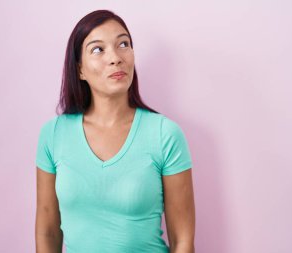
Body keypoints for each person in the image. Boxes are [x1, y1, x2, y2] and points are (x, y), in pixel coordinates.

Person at [35, 9, 196, 253]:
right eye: (98, 49)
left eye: (123, 44)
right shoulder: (54, 134)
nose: (115, 58)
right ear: (79, 69)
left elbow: (183, 240)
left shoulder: (165, 134)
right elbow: (47, 231)